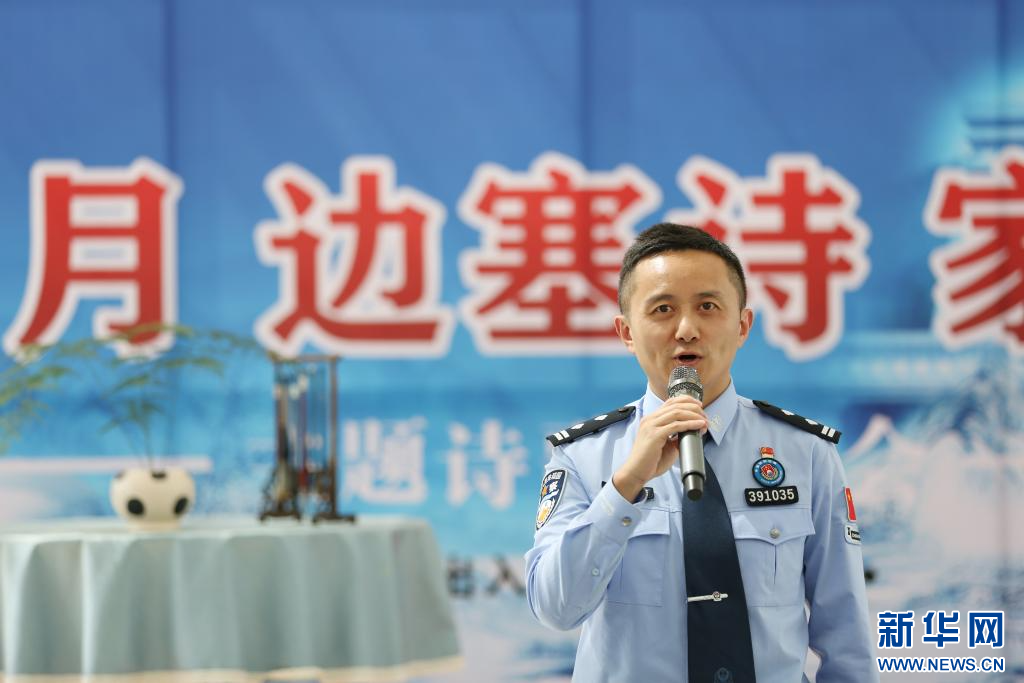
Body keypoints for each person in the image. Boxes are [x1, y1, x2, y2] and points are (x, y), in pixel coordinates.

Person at [525, 223, 876, 682]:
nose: (687, 330)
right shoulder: (584, 456)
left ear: (742, 325)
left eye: (708, 307)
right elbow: (555, 608)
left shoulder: (805, 452)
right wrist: (624, 488)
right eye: (663, 309)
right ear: (627, 332)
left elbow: (846, 635)